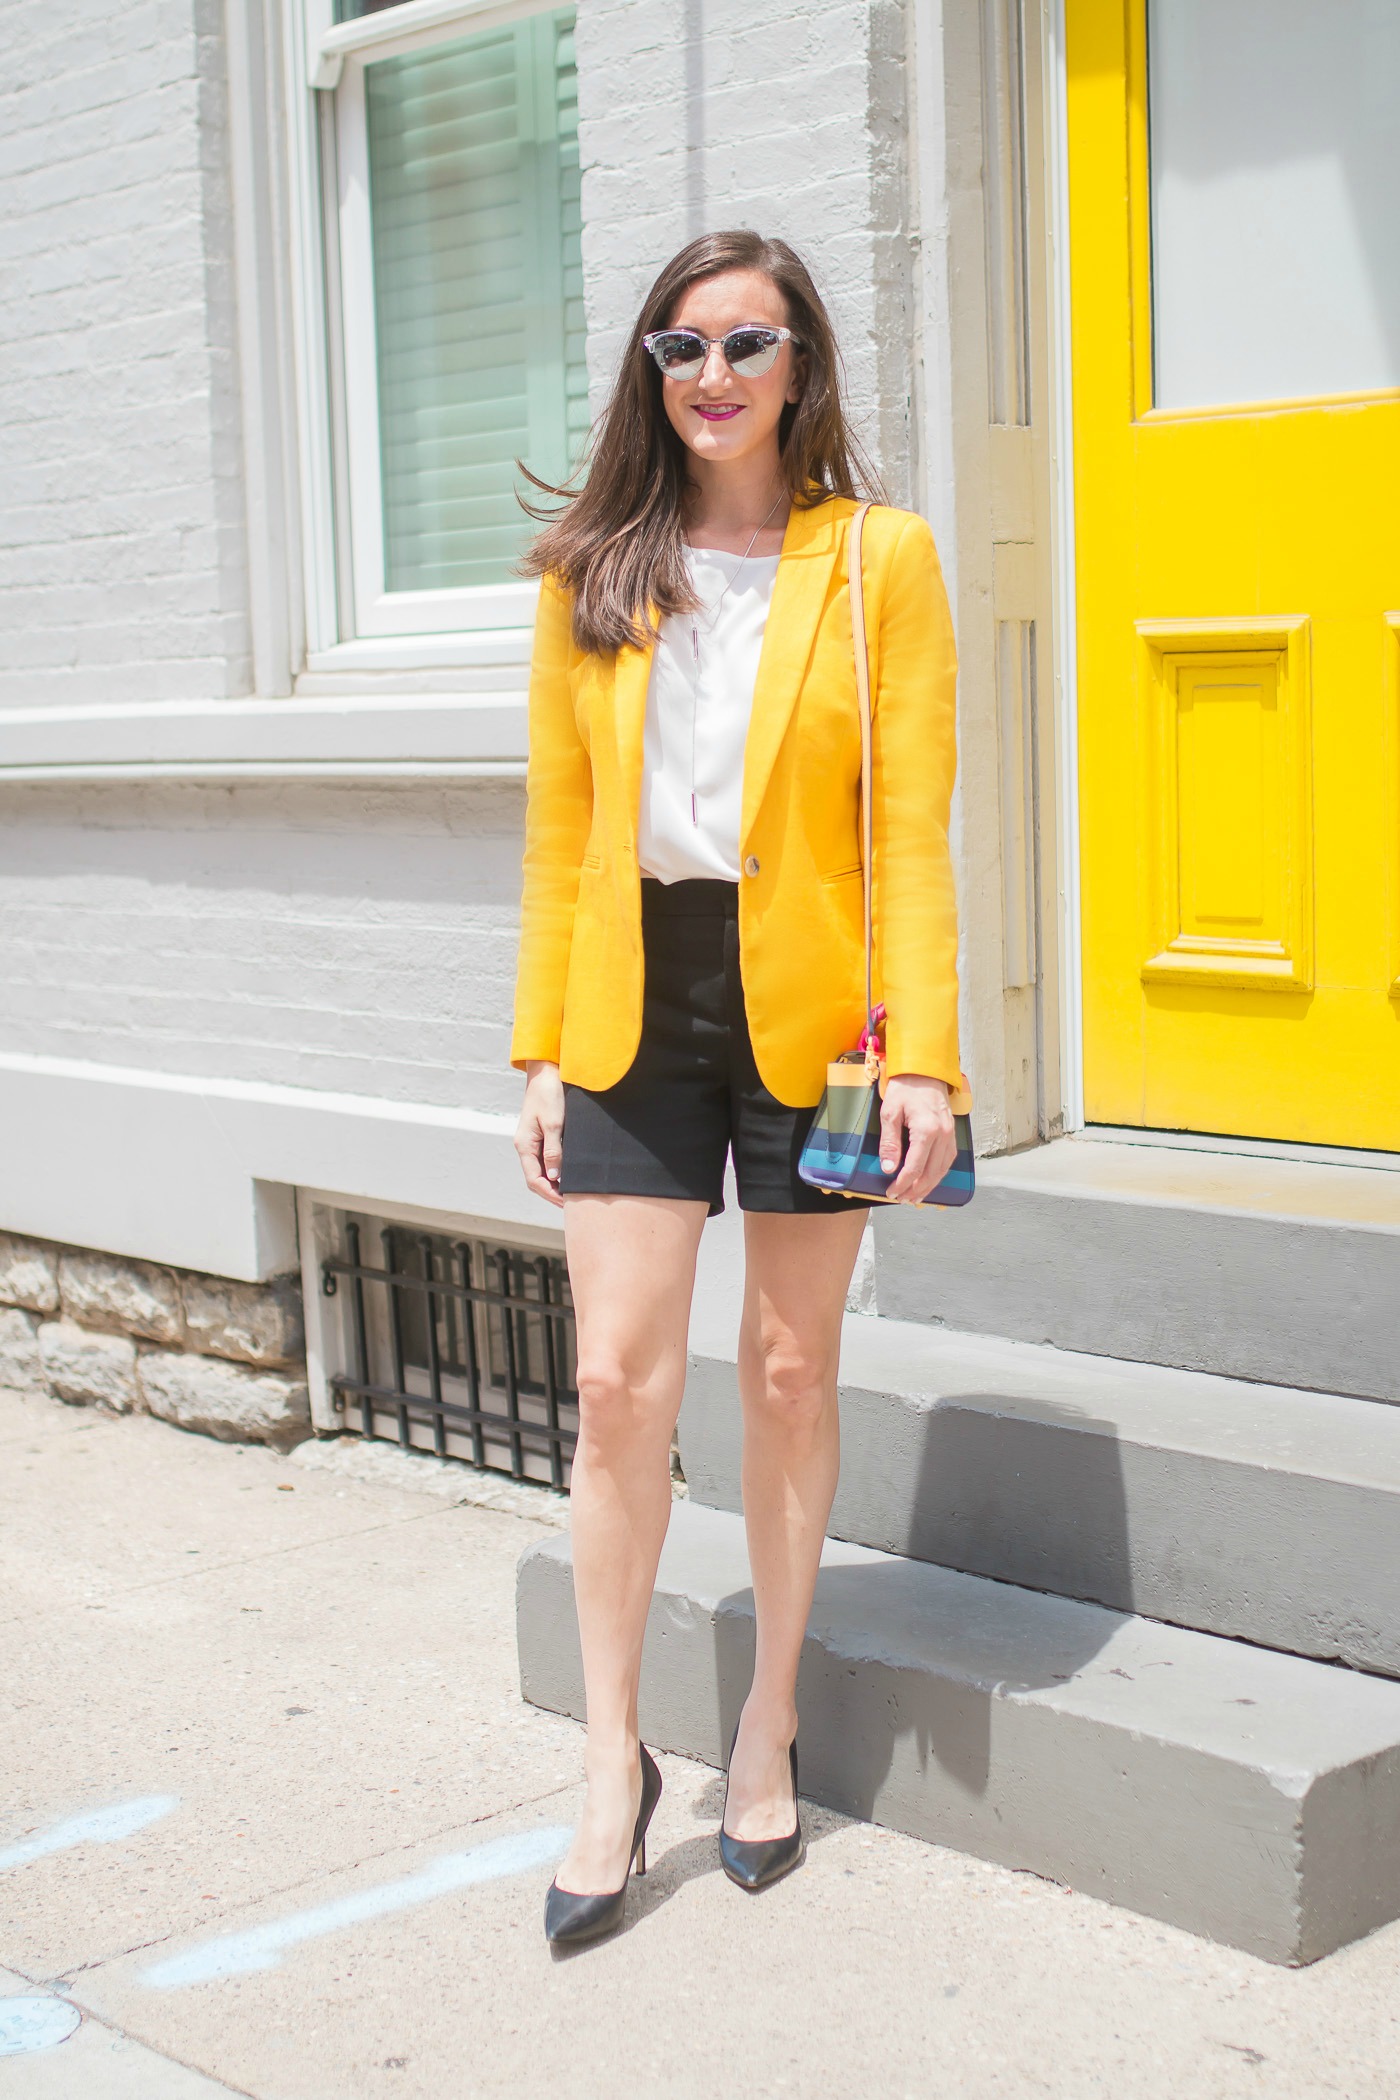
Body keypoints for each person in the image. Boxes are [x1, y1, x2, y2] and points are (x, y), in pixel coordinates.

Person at [511, 229, 964, 1946]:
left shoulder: (879, 563)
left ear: (800, 366)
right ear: (651, 372)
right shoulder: (591, 570)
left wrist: (925, 1054)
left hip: (816, 1020)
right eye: (678, 349)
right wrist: (540, 1049)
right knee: (620, 1389)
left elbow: (907, 833)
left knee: (786, 1373)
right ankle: (611, 1759)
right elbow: (560, 835)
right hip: (631, 1005)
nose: (711, 378)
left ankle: (766, 1719)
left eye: (745, 346)